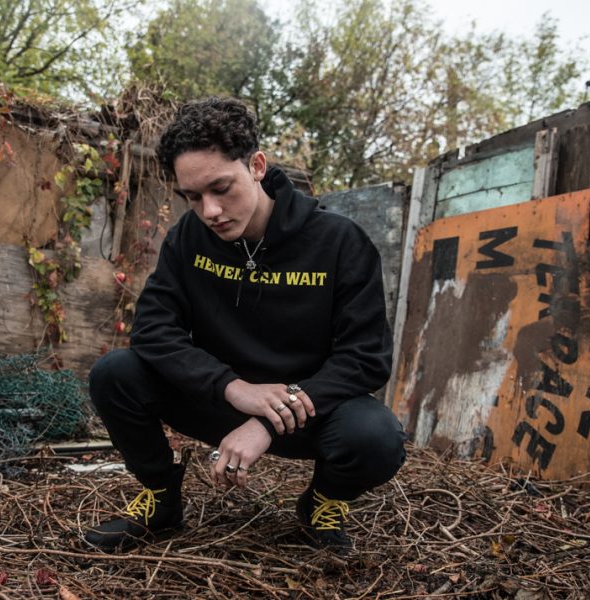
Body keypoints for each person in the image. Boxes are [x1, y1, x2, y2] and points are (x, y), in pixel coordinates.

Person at [84, 97, 406, 555]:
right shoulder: (188, 238)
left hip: (305, 412)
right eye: (192, 196)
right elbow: (153, 330)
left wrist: (269, 421)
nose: (210, 211)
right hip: (221, 398)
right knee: (115, 373)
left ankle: (321, 502)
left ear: (256, 166)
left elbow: (366, 358)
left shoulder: (339, 242)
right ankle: (161, 498)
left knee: (376, 436)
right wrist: (232, 388)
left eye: (221, 188)